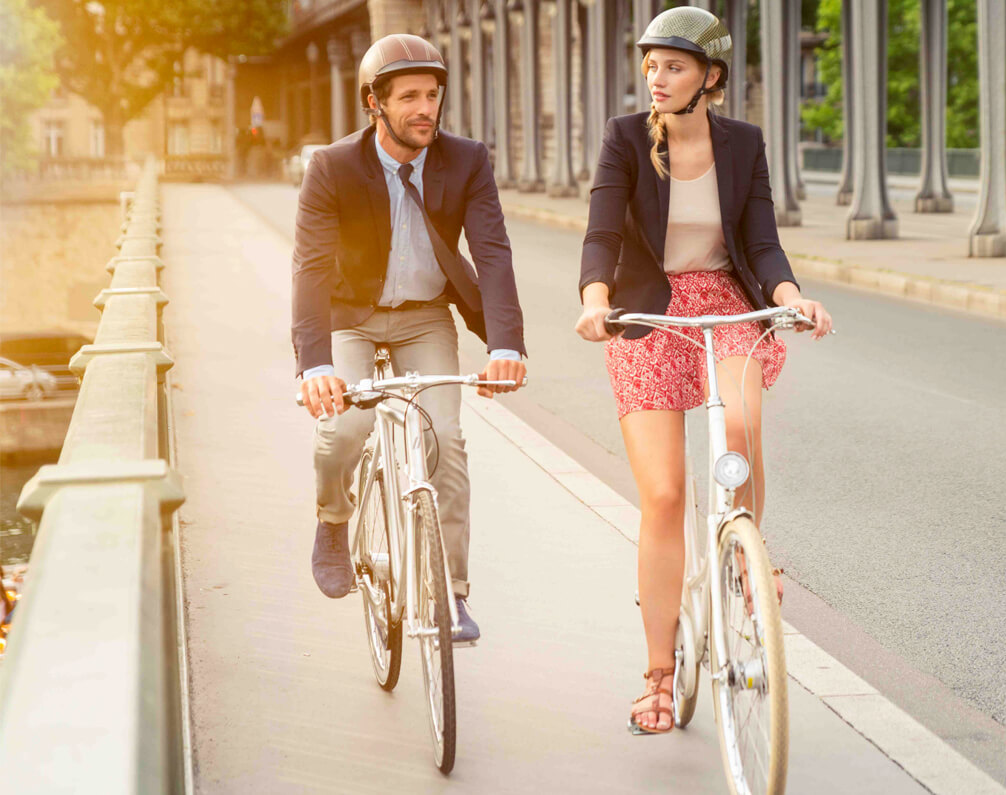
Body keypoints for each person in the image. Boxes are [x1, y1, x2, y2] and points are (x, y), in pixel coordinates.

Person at [573, 7, 833, 734]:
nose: (657, 78)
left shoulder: (743, 144)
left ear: (710, 78)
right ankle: (659, 671)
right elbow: (600, 232)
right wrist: (596, 300)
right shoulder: (626, 139)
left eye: (675, 66)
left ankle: (747, 550)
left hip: (722, 302)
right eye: (652, 65)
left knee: (741, 424)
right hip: (650, 313)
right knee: (663, 496)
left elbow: (764, 242)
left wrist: (791, 298)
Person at [292, 34, 527, 643]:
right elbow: (311, 268)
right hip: (352, 316)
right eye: (410, 97)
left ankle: (452, 593)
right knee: (344, 427)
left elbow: (493, 254)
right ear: (375, 103)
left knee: (444, 439)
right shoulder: (333, 167)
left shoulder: (466, 158)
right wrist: (313, 364)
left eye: (433, 95)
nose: (426, 108)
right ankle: (334, 517)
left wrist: (505, 345)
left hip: (425, 317)